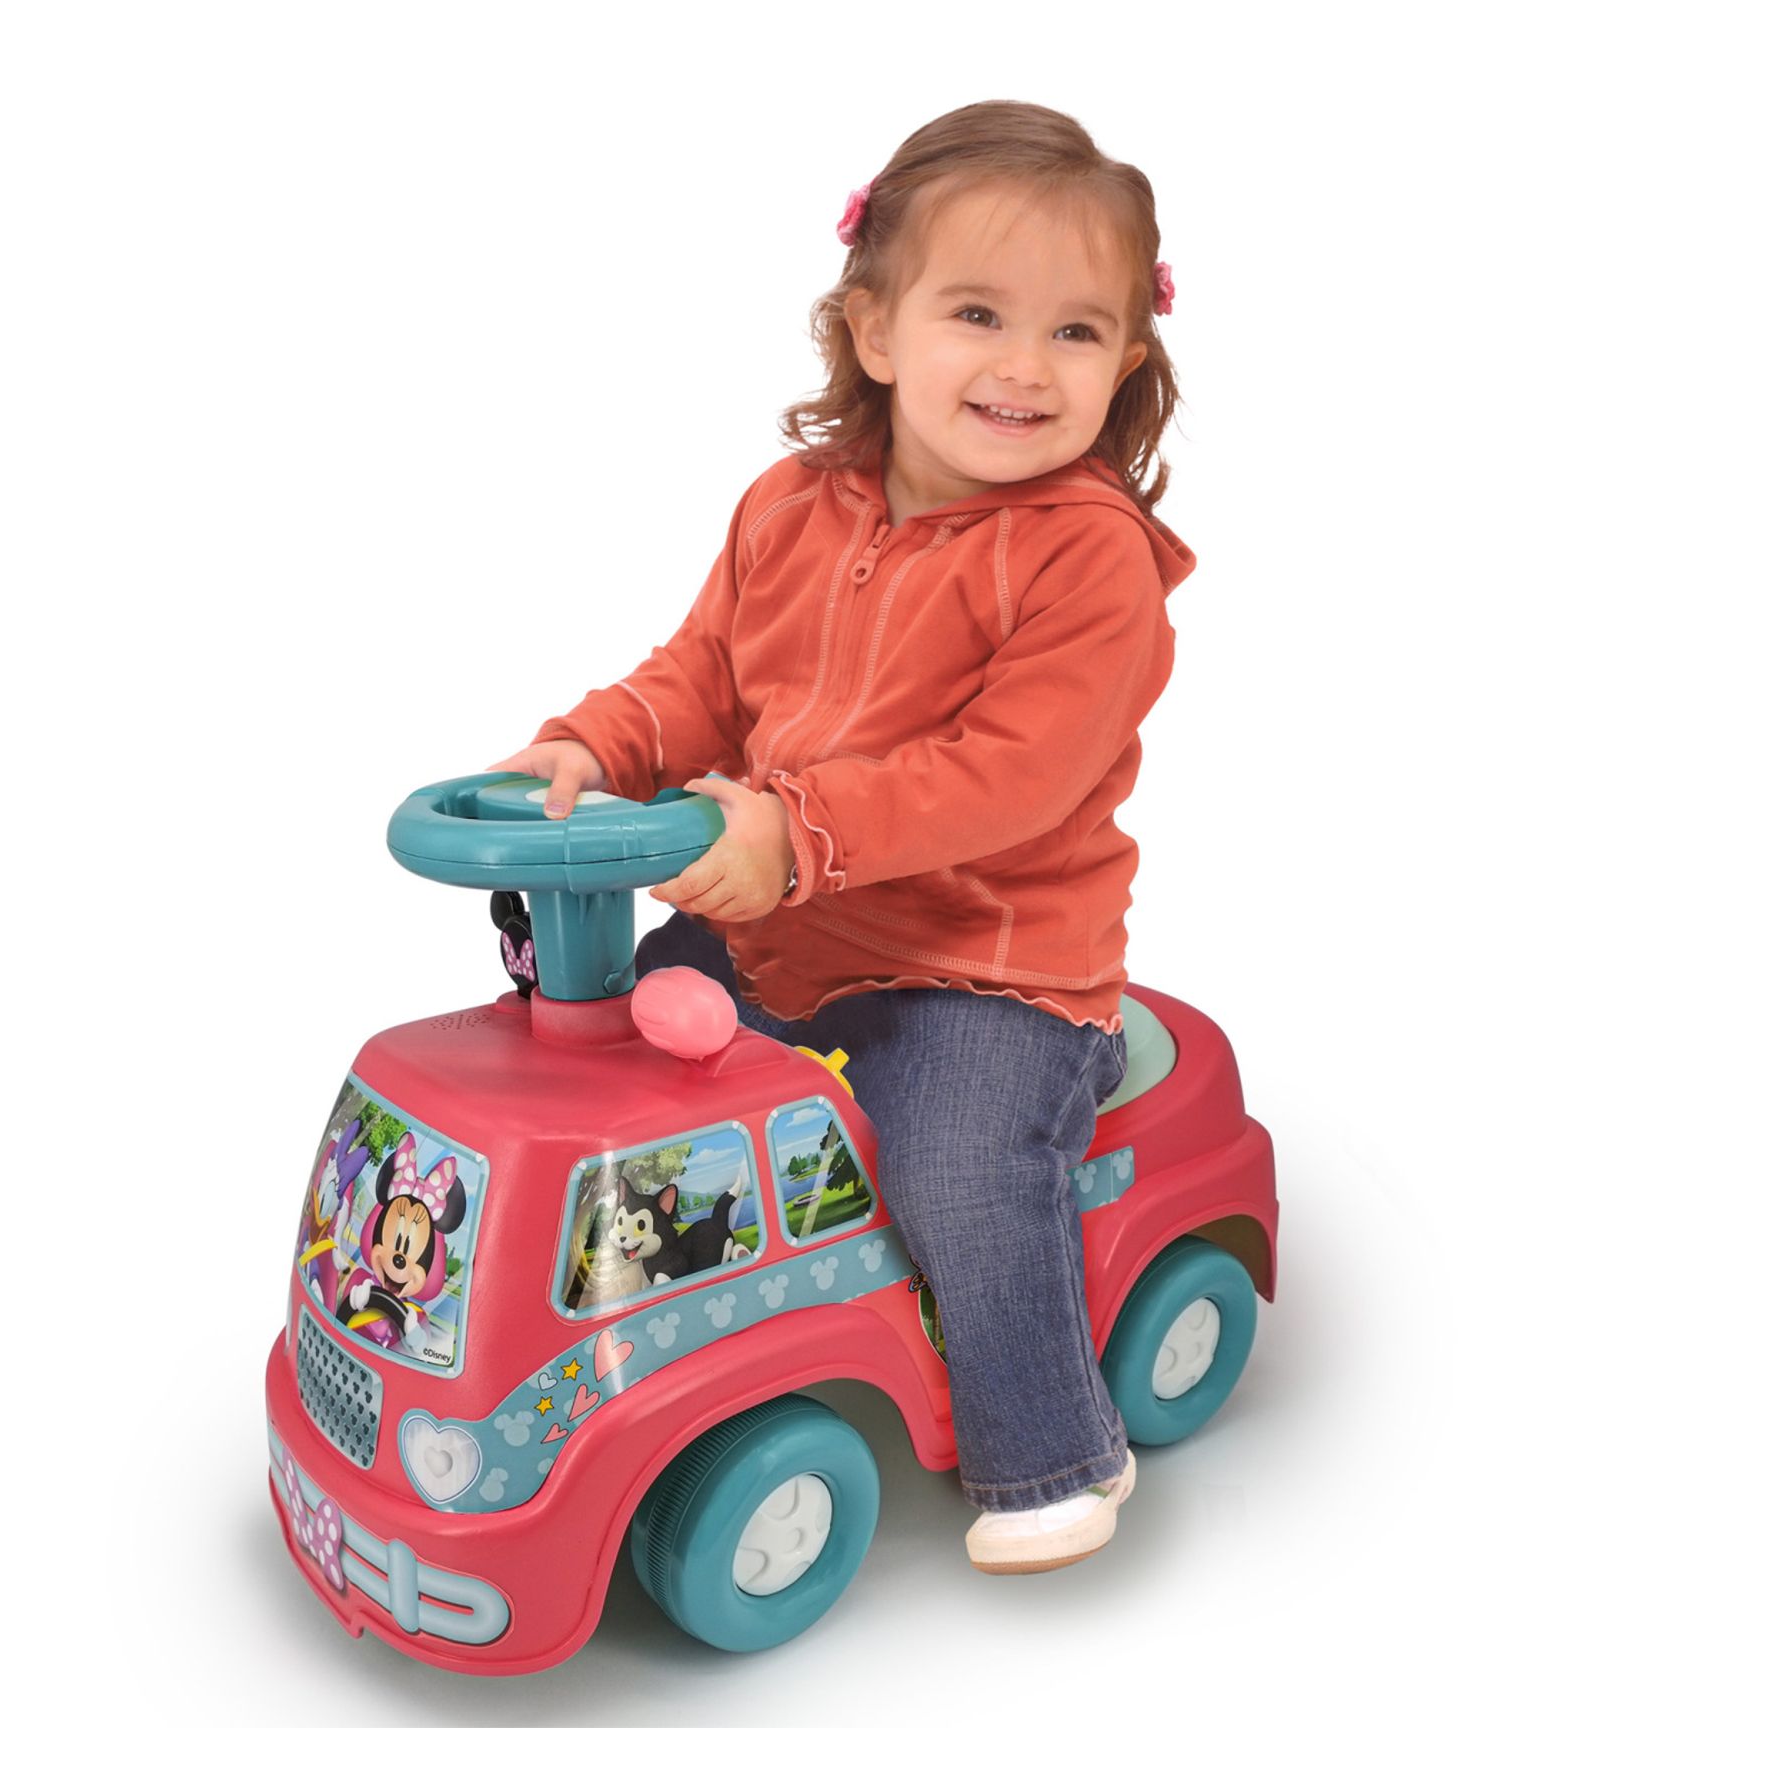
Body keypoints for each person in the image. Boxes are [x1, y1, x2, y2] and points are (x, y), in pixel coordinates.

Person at [489, 100, 1196, 1576]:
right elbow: (704, 675)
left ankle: (1052, 1450)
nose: (1024, 363)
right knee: (599, 1060)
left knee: (960, 1166)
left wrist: (797, 833)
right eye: (978, 313)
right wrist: (594, 748)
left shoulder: (1091, 560)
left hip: (984, 971)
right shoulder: (790, 506)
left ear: (1128, 361)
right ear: (874, 329)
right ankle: (617, 1352)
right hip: (782, 932)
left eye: (1075, 331)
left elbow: (1007, 777)